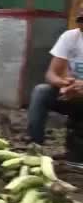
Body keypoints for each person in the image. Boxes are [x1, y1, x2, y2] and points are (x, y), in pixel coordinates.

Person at [27, 9, 83, 164]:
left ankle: (76, 153)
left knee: (76, 161)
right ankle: (35, 147)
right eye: (80, 20)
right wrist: (64, 84)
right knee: (41, 92)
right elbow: (51, 74)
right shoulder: (70, 37)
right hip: (70, 93)